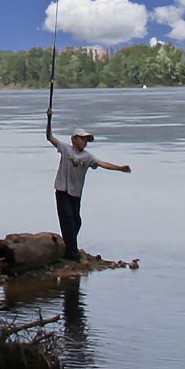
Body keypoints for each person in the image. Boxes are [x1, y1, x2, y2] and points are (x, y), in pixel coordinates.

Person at [46, 108, 131, 261]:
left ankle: (68, 246)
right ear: (74, 139)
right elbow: (49, 137)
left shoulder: (87, 156)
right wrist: (49, 119)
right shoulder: (65, 149)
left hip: (75, 193)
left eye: (86, 140)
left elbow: (102, 163)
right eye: (82, 139)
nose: (85, 142)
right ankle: (72, 253)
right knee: (68, 220)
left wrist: (120, 168)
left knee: (76, 221)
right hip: (62, 190)